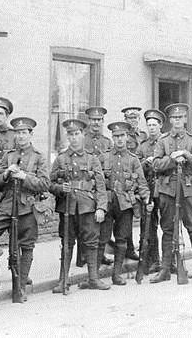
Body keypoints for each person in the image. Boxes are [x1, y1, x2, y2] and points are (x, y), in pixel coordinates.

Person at [0, 117, 49, 300]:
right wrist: (5, 173)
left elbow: (45, 184)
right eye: (18, 133)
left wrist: (23, 176)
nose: (20, 136)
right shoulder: (9, 155)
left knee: (25, 246)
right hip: (6, 205)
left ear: (30, 134)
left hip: (26, 207)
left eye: (24, 132)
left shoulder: (38, 157)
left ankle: (20, 287)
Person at [150, 103, 192, 284]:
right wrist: (171, 159)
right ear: (170, 120)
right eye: (174, 118)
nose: (177, 121)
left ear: (185, 119)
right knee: (167, 230)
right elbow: (156, 164)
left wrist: (185, 154)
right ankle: (164, 270)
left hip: (188, 190)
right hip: (168, 191)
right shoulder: (162, 140)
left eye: (180, 118)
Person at [50, 119, 110, 293]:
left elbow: (101, 186)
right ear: (67, 137)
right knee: (67, 243)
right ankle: (63, 280)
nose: (74, 138)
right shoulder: (61, 159)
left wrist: (101, 208)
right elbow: (49, 183)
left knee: (92, 243)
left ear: (83, 135)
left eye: (77, 134)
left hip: (88, 207)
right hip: (67, 208)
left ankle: (93, 278)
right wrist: (60, 188)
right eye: (71, 134)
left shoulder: (92, 159)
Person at [99, 121, 151, 285]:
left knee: (122, 239)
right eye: (116, 136)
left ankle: (117, 274)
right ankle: (94, 275)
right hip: (107, 203)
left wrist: (147, 198)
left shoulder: (133, 160)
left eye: (122, 136)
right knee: (103, 237)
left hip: (126, 205)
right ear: (112, 137)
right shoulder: (104, 157)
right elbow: (97, 182)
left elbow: (142, 183)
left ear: (127, 137)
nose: (119, 139)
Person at [135, 109, 166, 273]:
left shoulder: (167, 142)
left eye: (154, 125)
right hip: (149, 187)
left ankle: (170, 261)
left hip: (165, 187)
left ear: (160, 125)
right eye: (149, 125)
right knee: (149, 224)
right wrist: (145, 162)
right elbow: (135, 166)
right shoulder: (143, 146)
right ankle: (153, 260)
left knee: (168, 224)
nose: (152, 128)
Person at [83, 107, 113, 266]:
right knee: (85, 223)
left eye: (99, 120)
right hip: (85, 186)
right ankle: (83, 257)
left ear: (102, 122)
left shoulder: (107, 142)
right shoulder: (81, 139)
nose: (96, 123)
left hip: (102, 187)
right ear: (89, 121)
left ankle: (99, 255)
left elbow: (110, 164)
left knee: (103, 222)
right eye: (93, 119)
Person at [122, 106, 147, 261]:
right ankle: (129, 248)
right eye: (130, 118)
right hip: (130, 180)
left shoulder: (143, 135)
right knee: (128, 215)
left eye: (136, 118)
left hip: (144, 178)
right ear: (126, 120)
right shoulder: (123, 136)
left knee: (146, 215)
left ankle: (144, 246)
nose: (133, 121)